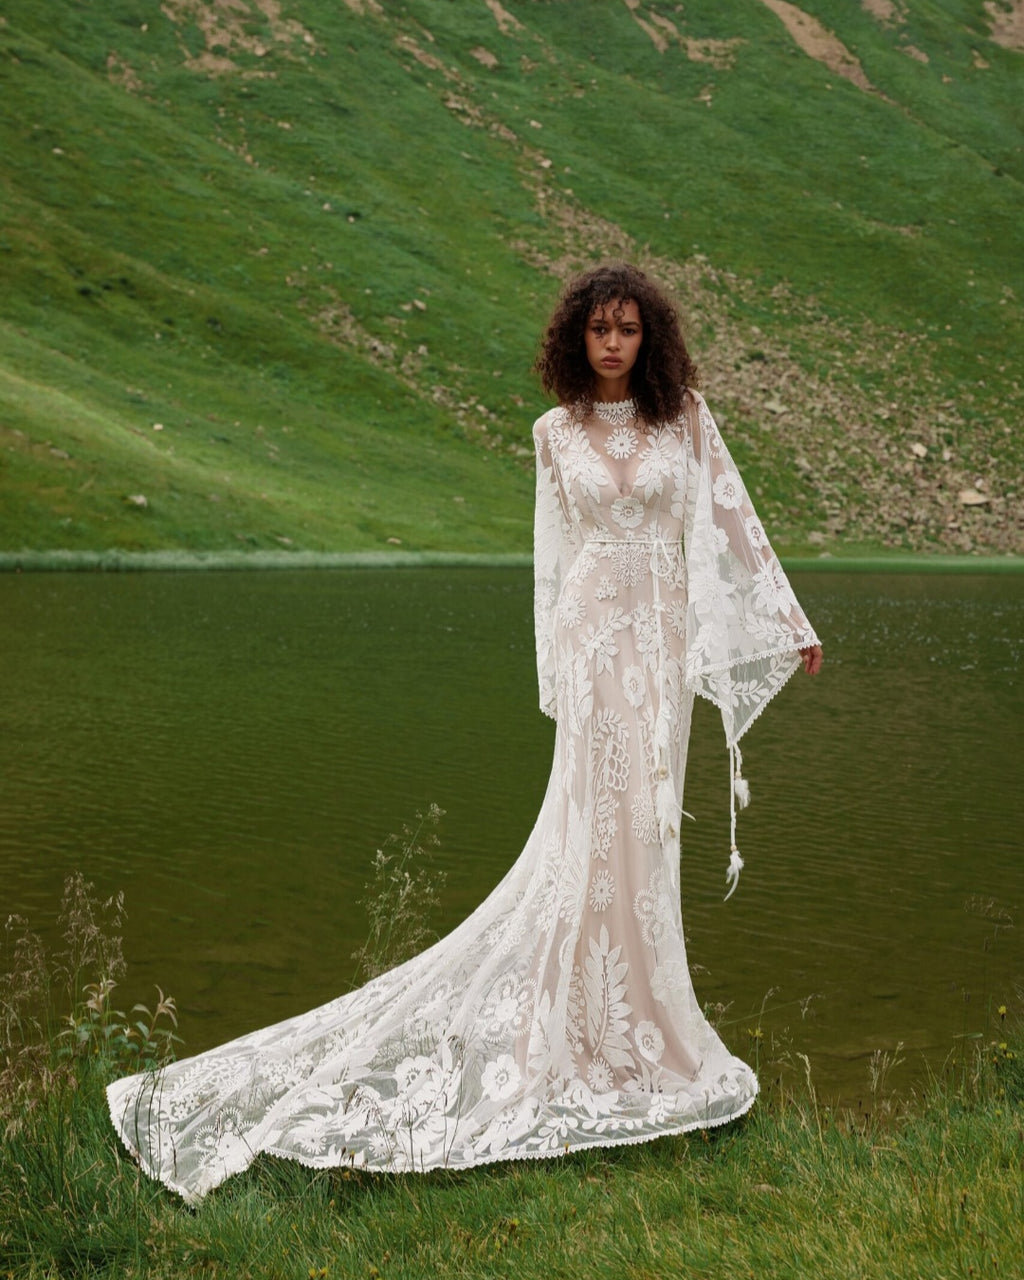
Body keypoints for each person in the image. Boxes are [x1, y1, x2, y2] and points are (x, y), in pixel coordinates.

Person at [107, 262, 821, 1203]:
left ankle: (635, 1030)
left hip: (658, 644)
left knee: (646, 834)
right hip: (596, 644)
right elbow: (552, 558)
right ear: (577, 337)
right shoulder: (552, 432)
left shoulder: (684, 417)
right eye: (599, 329)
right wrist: (560, 675)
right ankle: (575, 1032)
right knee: (592, 832)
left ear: (649, 339)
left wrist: (788, 620)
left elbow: (733, 516)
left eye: (628, 329)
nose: (613, 343)